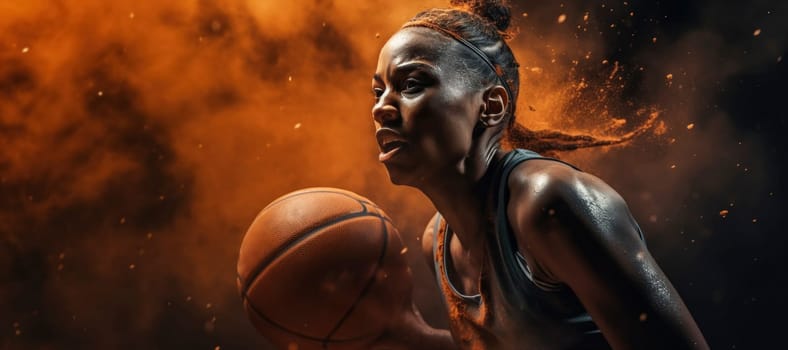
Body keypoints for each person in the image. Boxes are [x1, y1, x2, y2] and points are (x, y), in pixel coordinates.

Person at [368, 1, 709, 349]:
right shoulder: (438, 242)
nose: (381, 108)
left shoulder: (550, 203)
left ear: (491, 106)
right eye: (378, 92)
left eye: (410, 85)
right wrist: (409, 336)